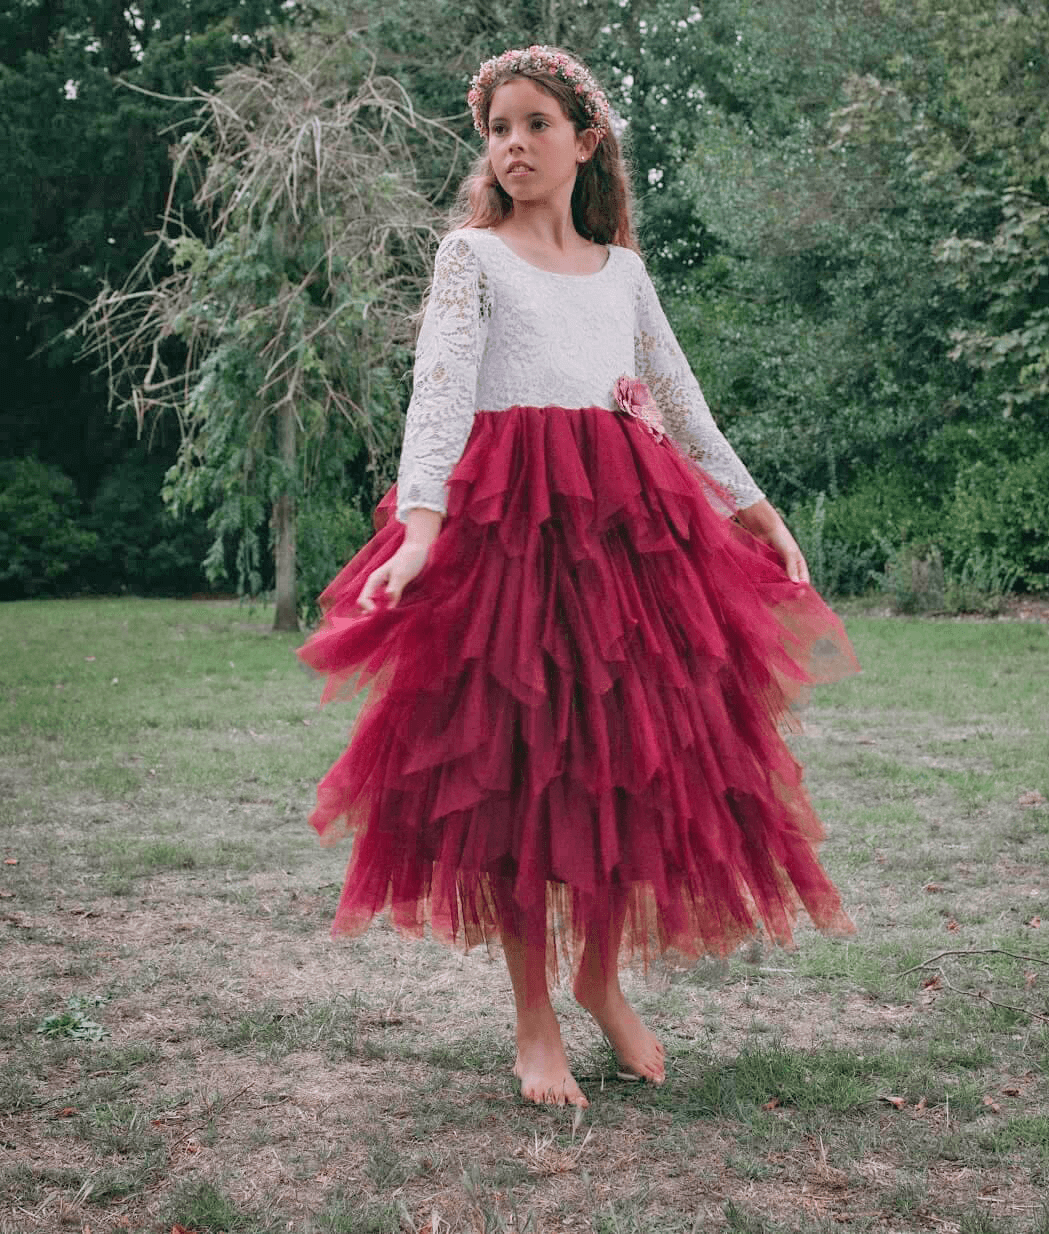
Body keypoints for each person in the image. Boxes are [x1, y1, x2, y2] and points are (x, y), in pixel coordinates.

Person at [298, 45, 861, 1109]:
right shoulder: (470, 256)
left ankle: (600, 979)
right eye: (498, 129)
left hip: (628, 544)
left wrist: (756, 508)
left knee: (625, 771)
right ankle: (534, 1016)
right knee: (522, 777)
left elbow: (681, 401)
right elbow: (438, 396)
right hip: (510, 540)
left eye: (534, 126)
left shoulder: (624, 272)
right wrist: (420, 529)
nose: (512, 145)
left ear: (584, 142)